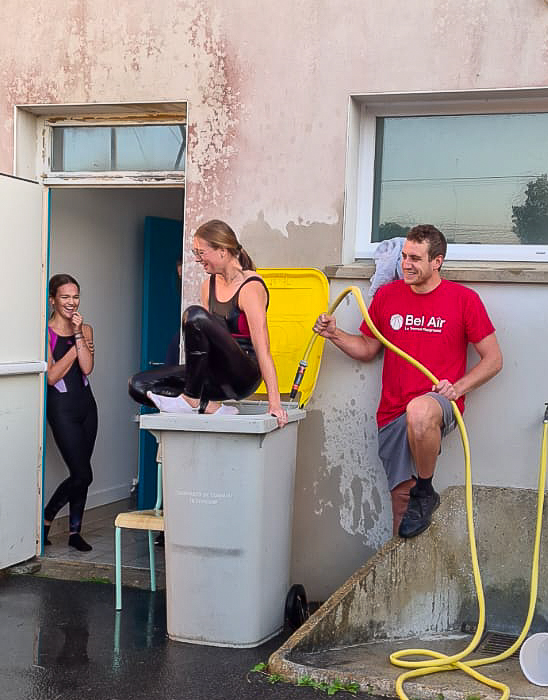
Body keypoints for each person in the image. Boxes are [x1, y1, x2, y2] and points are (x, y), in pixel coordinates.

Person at [314, 224, 502, 538]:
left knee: (419, 411)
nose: (406, 264)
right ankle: (402, 572)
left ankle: (426, 489)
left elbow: (494, 359)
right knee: (402, 504)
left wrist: (457, 388)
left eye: (415, 258)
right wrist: (334, 334)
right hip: (391, 411)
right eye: (403, 257)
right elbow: (367, 349)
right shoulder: (388, 296)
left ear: (437, 261)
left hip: (437, 403)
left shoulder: (463, 300)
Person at [129, 220, 288, 427]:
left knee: (194, 315)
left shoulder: (251, 287)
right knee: (139, 385)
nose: (197, 260)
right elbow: (204, 346)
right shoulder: (208, 286)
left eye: (201, 253)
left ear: (222, 251)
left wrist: (274, 403)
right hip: (215, 375)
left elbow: (262, 348)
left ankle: (192, 400)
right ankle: (209, 406)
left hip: (244, 374)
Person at [43, 274, 98, 552]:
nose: (71, 302)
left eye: (75, 296)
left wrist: (78, 335)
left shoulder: (85, 329)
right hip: (61, 408)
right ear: (53, 300)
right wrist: (75, 350)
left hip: (87, 407)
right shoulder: (45, 333)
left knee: (83, 472)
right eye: (65, 297)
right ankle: (47, 516)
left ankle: (75, 531)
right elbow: (51, 377)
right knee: (82, 473)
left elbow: (87, 368)